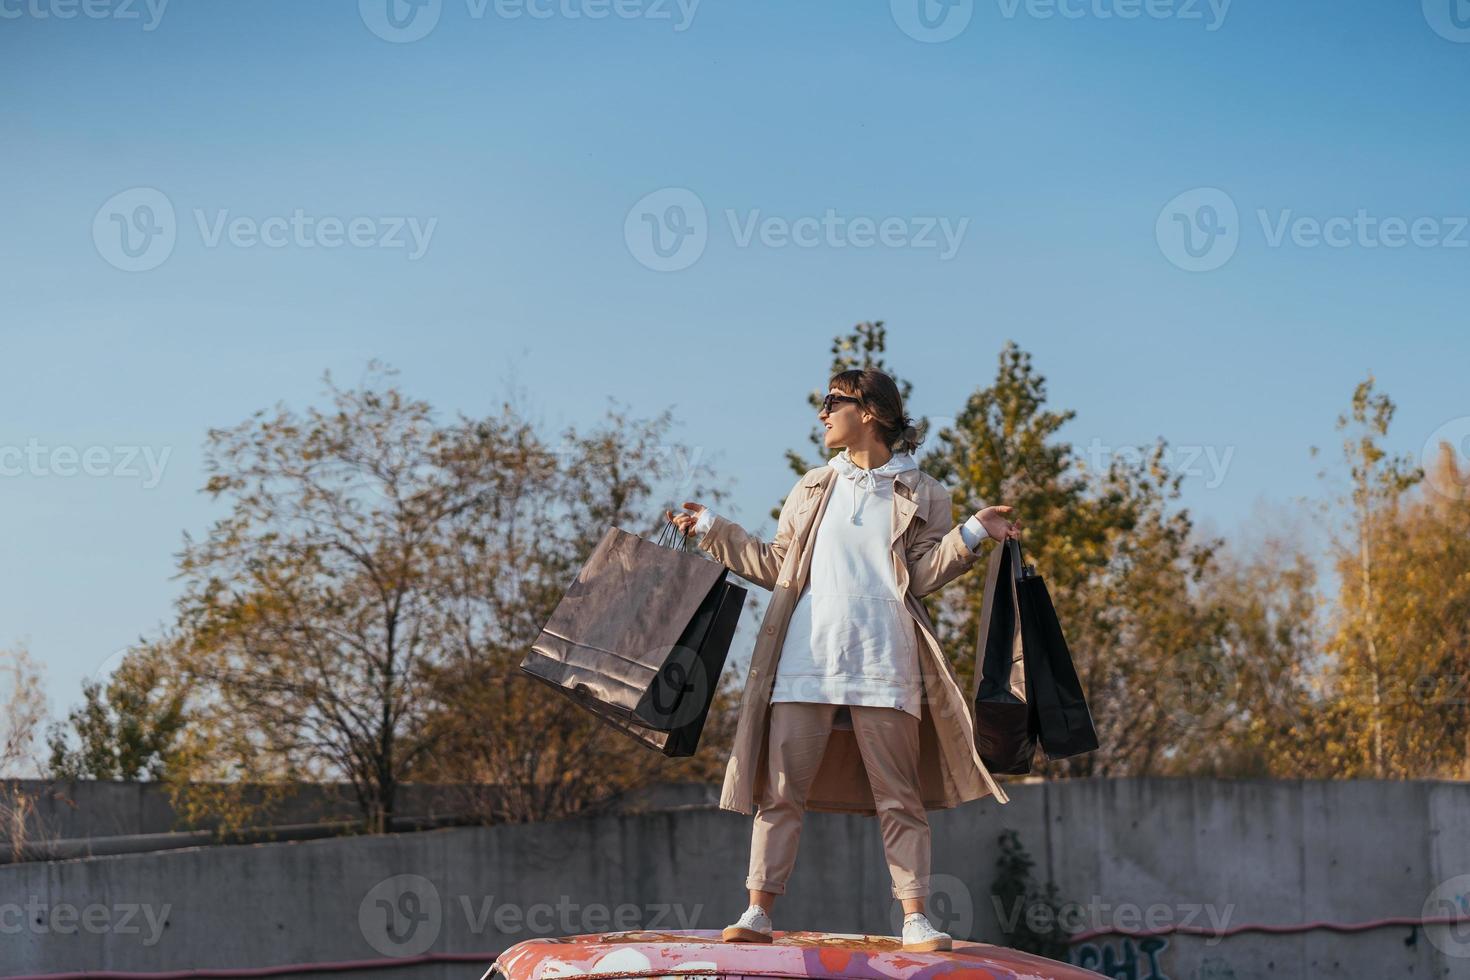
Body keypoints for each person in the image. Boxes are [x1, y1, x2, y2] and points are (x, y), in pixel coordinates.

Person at [666, 368, 1021, 953]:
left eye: (834, 401)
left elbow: (923, 574)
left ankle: (914, 919)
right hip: (805, 659)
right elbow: (777, 563)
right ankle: (758, 911)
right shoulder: (811, 486)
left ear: (872, 412)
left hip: (887, 661)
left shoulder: (923, 490)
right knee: (780, 790)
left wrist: (972, 532)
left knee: (899, 796)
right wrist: (713, 530)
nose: (822, 413)